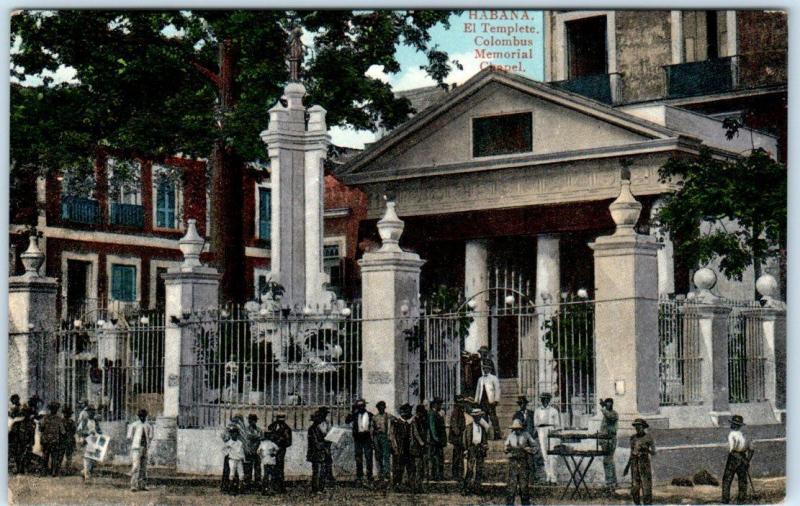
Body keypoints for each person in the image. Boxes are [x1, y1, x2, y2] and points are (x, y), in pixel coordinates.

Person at [505, 418, 539, 505]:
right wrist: (507, 450)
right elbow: (505, 448)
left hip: (523, 462)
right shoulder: (510, 436)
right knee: (511, 486)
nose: (516, 431)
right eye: (515, 429)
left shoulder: (526, 435)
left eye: (518, 429)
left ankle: (525, 504)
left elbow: (535, 447)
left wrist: (529, 450)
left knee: (523, 486)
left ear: (521, 428)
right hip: (513, 462)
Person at [722, 415, 752, 504]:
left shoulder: (732, 434)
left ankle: (725, 500)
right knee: (743, 480)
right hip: (744, 457)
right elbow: (751, 450)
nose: (731, 425)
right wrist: (747, 460)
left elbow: (732, 451)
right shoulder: (745, 435)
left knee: (727, 479)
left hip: (734, 459)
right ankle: (742, 500)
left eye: (732, 424)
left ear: (735, 425)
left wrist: (743, 460)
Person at [625, 418, 656, 505]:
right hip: (634, 464)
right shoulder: (633, 438)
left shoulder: (649, 437)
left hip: (644, 463)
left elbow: (654, 452)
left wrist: (646, 449)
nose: (638, 428)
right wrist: (627, 467)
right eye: (636, 426)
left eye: (639, 426)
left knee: (646, 487)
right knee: (635, 487)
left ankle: (647, 503)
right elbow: (631, 453)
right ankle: (637, 503)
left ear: (643, 427)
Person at [533, 392, 561, 483]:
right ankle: (548, 476)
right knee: (545, 455)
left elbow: (557, 425)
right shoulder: (537, 411)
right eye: (542, 399)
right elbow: (536, 424)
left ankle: (554, 478)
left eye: (546, 399)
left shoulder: (554, 411)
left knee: (552, 455)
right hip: (541, 431)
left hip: (551, 431)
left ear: (549, 400)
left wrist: (555, 434)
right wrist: (540, 432)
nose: (544, 401)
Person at [345, 398, 374, 483]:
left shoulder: (369, 415)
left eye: (362, 406)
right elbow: (347, 421)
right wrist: (352, 411)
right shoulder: (355, 415)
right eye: (359, 406)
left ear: (365, 406)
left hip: (367, 438)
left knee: (368, 457)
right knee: (358, 457)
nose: (361, 407)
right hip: (358, 438)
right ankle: (359, 476)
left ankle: (369, 475)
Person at [462, 407, 489, 495]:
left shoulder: (482, 428)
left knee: (479, 469)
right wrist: (466, 449)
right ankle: (466, 488)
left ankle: (477, 488)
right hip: (471, 449)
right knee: (470, 469)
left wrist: (484, 446)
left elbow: (484, 439)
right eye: (476, 417)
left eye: (479, 417)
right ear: (473, 417)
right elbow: (464, 439)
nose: (478, 418)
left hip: (480, 449)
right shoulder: (469, 427)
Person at [127, 408, 153, 491]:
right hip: (136, 448)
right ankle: (133, 485)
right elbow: (129, 436)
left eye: (144, 416)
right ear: (138, 416)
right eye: (141, 416)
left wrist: (147, 446)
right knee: (135, 467)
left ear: (146, 416)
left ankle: (142, 485)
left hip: (145, 448)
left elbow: (150, 436)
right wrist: (134, 444)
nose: (142, 418)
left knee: (144, 468)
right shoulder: (134, 425)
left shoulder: (148, 426)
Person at [390, 403, 414, 491]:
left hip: (409, 448)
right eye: (408, 411)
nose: (410, 413)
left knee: (410, 466)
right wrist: (395, 446)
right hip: (399, 447)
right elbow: (392, 435)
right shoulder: (396, 422)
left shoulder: (411, 422)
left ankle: (410, 483)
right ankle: (397, 483)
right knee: (398, 466)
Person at [266, 412, 292, 493]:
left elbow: (289, 442)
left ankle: (280, 487)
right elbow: (267, 436)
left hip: (281, 450)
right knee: (271, 467)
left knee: (280, 468)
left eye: (282, 418)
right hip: (271, 450)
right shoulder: (272, 426)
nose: (280, 420)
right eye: (279, 418)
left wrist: (281, 442)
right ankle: (272, 487)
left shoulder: (287, 428)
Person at [307, 409, 331, 493]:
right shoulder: (312, 429)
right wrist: (325, 443)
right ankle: (316, 488)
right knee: (317, 471)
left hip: (322, 451)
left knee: (323, 470)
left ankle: (321, 488)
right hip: (316, 452)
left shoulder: (320, 427)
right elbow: (315, 443)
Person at [76, 405, 102, 482]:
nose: (92, 413)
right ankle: (87, 476)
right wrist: (88, 433)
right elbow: (79, 431)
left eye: (93, 411)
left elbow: (99, 431)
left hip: (94, 441)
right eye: (90, 411)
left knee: (93, 460)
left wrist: (99, 434)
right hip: (86, 441)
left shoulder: (95, 422)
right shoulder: (84, 421)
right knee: (87, 458)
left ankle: (84, 472)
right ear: (87, 412)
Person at [40, 402, 66, 477]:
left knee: (45, 456)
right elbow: (63, 431)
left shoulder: (45, 418)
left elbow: (41, 428)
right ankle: (53, 472)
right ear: (57, 410)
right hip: (54, 440)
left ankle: (44, 472)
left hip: (46, 440)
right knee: (54, 457)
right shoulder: (59, 419)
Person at [475, 368, 501, 440]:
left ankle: (497, 434)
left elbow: (497, 389)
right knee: (484, 418)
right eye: (483, 368)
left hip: (490, 401)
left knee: (493, 418)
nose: (485, 370)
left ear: (490, 369)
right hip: (482, 402)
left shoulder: (493, 378)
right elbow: (478, 390)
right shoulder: (480, 379)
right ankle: (485, 436)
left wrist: (496, 400)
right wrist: (476, 400)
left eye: (486, 368)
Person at [599, 398, 619, 494]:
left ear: (612, 404)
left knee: (608, 461)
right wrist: (600, 440)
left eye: (609, 403)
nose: (608, 405)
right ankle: (613, 482)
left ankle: (610, 483)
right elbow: (603, 428)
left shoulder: (614, 413)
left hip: (611, 440)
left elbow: (609, 416)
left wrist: (603, 408)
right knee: (609, 461)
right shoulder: (605, 414)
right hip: (605, 441)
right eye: (606, 403)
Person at [372, 400, 392, 483]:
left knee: (386, 456)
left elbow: (395, 421)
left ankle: (387, 474)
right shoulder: (375, 417)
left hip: (385, 437)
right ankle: (380, 474)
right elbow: (372, 428)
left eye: (383, 406)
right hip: (377, 437)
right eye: (380, 407)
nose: (381, 408)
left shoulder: (388, 416)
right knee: (378, 455)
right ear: (377, 408)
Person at [448, 395, 468, 481]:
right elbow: (454, 425)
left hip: (460, 437)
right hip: (457, 438)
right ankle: (456, 474)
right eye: (460, 402)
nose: (462, 403)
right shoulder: (456, 411)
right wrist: (459, 434)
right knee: (457, 456)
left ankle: (459, 473)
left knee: (459, 456)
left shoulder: (460, 410)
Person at [410, 404, 429, 493]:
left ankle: (420, 486)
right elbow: (416, 433)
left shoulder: (423, 420)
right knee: (417, 467)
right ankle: (415, 487)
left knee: (421, 467)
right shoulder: (414, 421)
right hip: (416, 447)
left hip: (422, 446)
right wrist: (422, 442)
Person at [242, 413, 263, 491]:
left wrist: (256, 438)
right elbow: (247, 437)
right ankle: (248, 484)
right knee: (247, 469)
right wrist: (256, 437)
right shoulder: (246, 429)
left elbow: (261, 438)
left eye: (253, 420)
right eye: (250, 420)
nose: (252, 422)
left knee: (257, 469)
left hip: (257, 452)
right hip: (248, 452)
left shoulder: (259, 430)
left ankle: (257, 484)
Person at [427, 397, 447, 481]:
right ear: (435, 405)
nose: (441, 406)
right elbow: (432, 427)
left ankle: (439, 475)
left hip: (438, 440)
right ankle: (435, 475)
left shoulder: (437, 413)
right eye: (440, 404)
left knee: (439, 458)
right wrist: (436, 438)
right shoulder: (432, 414)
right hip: (435, 441)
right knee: (435, 458)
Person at [223, 425, 246, 495]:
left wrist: (243, 459)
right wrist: (227, 454)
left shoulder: (240, 443)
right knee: (232, 473)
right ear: (231, 434)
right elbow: (224, 450)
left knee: (241, 474)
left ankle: (240, 489)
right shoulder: (229, 443)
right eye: (232, 433)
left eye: (235, 433)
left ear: (237, 434)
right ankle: (231, 489)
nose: (234, 435)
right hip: (232, 459)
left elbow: (242, 452)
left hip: (239, 460)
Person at [9, 394, 27, 474]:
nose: (14, 402)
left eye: (15, 400)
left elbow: (24, 416)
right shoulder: (14, 408)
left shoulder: (23, 407)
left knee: (22, 450)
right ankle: (19, 468)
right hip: (16, 430)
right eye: (13, 401)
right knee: (16, 451)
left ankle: (21, 468)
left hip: (22, 429)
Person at [61, 405, 77, 474]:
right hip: (69, 440)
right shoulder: (72, 422)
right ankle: (67, 469)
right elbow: (74, 431)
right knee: (68, 456)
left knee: (62, 455)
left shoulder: (61, 421)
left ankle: (62, 469)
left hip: (64, 440)